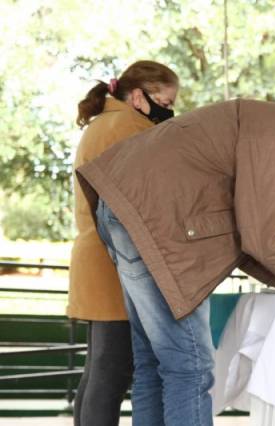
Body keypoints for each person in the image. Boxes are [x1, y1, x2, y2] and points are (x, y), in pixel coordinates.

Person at [75, 100, 275, 425]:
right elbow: (271, 238)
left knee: (154, 363)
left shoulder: (270, 122)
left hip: (125, 205)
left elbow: (253, 243)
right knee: (189, 368)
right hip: (159, 220)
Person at [67, 61, 179, 426]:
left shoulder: (104, 123)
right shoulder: (130, 126)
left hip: (95, 258)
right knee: (112, 372)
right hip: (113, 262)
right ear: (137, 97)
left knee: (98, 370)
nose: (170, 109)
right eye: (164, 100)